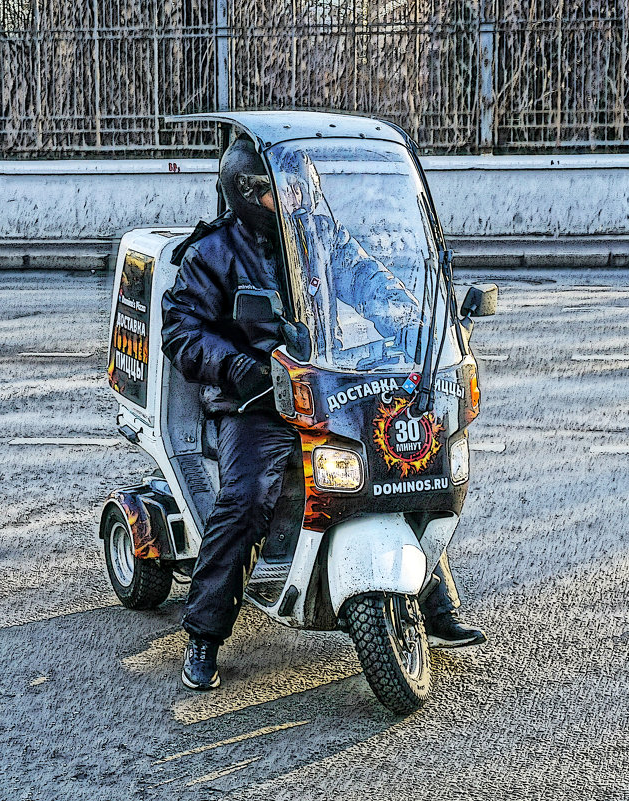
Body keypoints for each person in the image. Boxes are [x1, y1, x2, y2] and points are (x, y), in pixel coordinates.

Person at [161, 135, 485, 691]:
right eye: (282, 190)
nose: (298, 196)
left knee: (405, 456)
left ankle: (432, 593)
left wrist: (409, 320)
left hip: (328, 379)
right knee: (246, 498)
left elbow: (366, 279)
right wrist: (239, 367)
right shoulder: (212, 254)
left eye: (303, 185)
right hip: (258, 397)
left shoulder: (317, 234)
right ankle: (204, 634)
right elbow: (180, 331)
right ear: (247, 194)